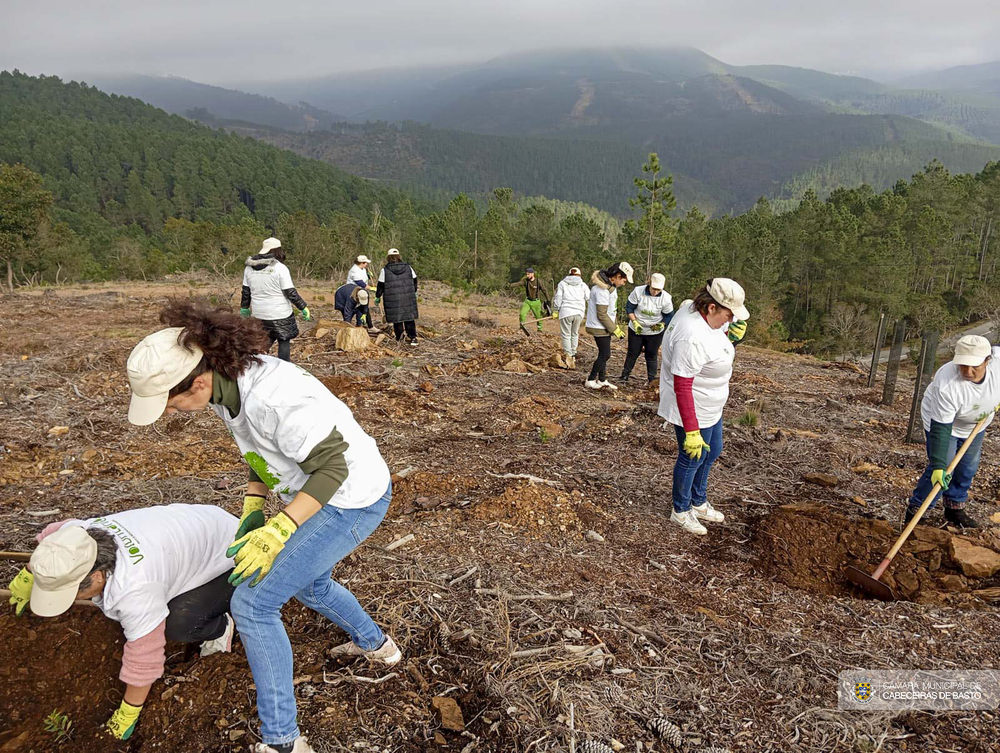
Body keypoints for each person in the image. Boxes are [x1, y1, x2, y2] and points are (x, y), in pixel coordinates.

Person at [125, 301, 398, 753]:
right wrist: (255, 502)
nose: (169, 413)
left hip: (351, 498)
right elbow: (257, 448)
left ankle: (283, 743)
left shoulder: (273, 397)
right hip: (320, 490)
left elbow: (331, 469)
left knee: (253, 604)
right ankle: (378, 646)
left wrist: (279, 529)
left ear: (195, 382)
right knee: (311, 587)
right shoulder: (222, 386)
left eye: (169, 403)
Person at [6, 504, 238, 741]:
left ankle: (219, 627)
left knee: (180, 623)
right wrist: (29, 575)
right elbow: (50, 538)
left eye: (71, 593)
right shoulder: (77, 535)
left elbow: (144, 659)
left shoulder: (135, 590)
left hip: (234, 552)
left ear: (96, 576)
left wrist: (129, 711)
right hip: (197, 527)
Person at [658, 279, 749, 535]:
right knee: (692, 456)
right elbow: (683, 386)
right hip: (694, 406)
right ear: (710, 307)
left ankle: (698, 501)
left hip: (711, 402)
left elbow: (715, 346)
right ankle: (681, 509)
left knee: (713, 450)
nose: (730, 320)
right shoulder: (692, 337)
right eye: (728, 315)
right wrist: (692, 430)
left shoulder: (694, 308)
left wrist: (731, 337)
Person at [903, 334, 1000, 529]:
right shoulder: (947, 383)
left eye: (975, 366)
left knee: (968, 467)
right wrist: (939, 465)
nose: (968, 371)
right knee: (944, 469)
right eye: (963, 365)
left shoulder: (998, 364)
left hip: (976, 424)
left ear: (987, 360)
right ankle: (916, 511)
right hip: (945, 423)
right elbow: (941, 428)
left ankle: (954, 506)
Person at [241, 237, 311, 362]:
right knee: (283, 340)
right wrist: (303, 307)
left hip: (259, 313)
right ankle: (284, 367)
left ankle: (256, 365)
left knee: (263, 341)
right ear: (278, 250)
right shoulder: (280, 268)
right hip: (280, 313)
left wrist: (244, 307)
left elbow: (246, 291)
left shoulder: (249, 268)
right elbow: (290, 292)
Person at [584, 261, 634, 390]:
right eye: (624, 280)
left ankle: (602, 379)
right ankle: (590, 379)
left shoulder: (609, 288)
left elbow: (610, 310)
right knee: (605, 354)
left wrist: (613, 326)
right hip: (598, 326)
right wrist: (615, 329)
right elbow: (602, 314)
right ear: (617, 276)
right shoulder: (602, 290)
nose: (624, 283)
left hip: (604, 326)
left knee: (603, 352)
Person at [620, 272, 674, 385]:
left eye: (658, 290)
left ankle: (651, 380)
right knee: (632, 352)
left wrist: (662, 324)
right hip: (637, 328)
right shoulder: (638, 291)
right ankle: (624, 376)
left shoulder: (666, 298)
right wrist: (634, 321)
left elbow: (669, 315)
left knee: (651, 355)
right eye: (653, 289)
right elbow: (629, 308)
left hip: (654, 331)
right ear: (649, 284)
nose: (655, 292)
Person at [376, 248, 419, 345]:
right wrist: (413, 291)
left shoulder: (385, 270)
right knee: (409, 317)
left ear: (388, 258)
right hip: (408, 296)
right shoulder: (408, 267)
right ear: (399, 257)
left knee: (397, 318)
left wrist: (378, 296)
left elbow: (381, 285)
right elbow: (415, 280)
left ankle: (399, 338)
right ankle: (413, 338)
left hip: (393, 298)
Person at [551, 266, 590, 368]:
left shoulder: (562, 283)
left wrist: (556, 310)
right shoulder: (583, 285)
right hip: (579, 313)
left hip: (566, 312)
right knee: (574, 333)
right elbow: (589, 298)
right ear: (579, 275)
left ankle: (568, 354)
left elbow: (558, 297)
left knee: (566, 334)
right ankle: (573, 354)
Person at [509, 267, 551, 334]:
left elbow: (545, 291)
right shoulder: (525, 281)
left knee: (538, 317)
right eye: (527, 274)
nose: (527, 276)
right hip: (528, 301)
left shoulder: (538, 281)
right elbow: (519, 283)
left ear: (533, 274)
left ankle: (540, 329)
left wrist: (548, 300)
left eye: (528, 274)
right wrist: (510, 285)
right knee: (522, 314)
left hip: (536, 302)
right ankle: (522, 326)